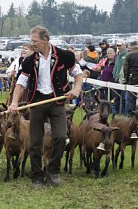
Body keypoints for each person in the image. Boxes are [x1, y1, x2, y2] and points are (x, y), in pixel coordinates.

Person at [8, 26, 85, 188]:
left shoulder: (64, 56)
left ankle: (53, 171)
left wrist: (76, 89)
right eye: (31, 41)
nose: (32, 44)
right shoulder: (29, 61)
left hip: (57, 101)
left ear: (45, 40)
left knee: (61, 137)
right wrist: (14, 102)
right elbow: (21, 82)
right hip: (37, 102)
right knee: (35, 142)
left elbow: (78, 74)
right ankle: (37, 176)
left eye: (34, 41)